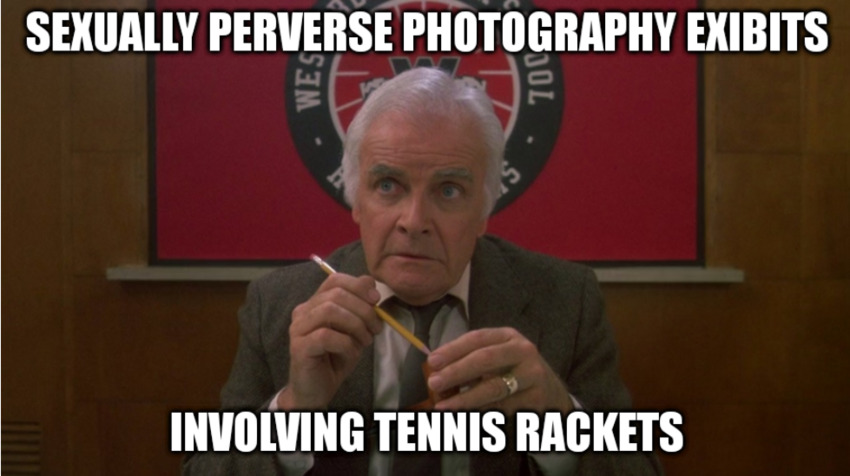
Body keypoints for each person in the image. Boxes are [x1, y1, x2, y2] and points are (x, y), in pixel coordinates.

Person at [183, 67, 661, 475]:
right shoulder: (282, 302)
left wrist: (560, 423)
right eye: (388, 185)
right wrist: (294, 412)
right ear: (356, 200)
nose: (414, 222)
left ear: (485, 209)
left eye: (449, 191)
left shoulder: (565, 298)